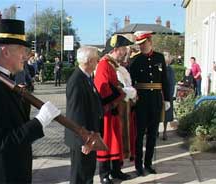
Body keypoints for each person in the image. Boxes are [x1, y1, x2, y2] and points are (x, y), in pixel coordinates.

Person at [0, 19, 61, 184]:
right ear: (5, 52)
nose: (26, 56)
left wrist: (23, 101)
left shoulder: (7, 84)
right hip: (4, 177)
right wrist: (40, 121)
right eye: (22, 50)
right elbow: (0, 142)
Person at [129, 31, 170, 176]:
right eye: (139, 44)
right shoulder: (135, 60)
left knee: (153, 134)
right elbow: (130, 82)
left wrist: (167, 99)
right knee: (139, 135)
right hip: (141, 101)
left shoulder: (159, 57)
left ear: (150, 41)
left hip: (156, 100)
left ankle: (148, 163)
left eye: (143, 44)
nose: (141, 47)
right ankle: (138, 165)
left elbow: (164, 80)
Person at [94, 34, 133, 184]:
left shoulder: (113, 64)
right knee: (107, 143)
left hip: (115, 109)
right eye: (123, 49)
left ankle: (116, 170)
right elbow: (103, 88)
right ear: (116, 49)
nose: (125, 52)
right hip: (107, 111)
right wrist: (121, 93)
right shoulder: (104, 64)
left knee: (116, 141)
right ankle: (104, 174)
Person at [65, 46, 103, 184]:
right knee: (79, 176)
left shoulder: (86, 78)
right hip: (81, 138)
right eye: (96, 59)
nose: (98, 62)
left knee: (87, 174)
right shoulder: (77, 81)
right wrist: (84, 140)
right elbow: (76, 114)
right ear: (89, 61)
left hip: (89, 135)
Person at [162, 52, 175, 141]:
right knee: (157, 113)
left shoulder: (171, 70)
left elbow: (172, 83)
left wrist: (170, 95)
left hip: (167, 94)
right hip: (159, 94)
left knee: (166, 115)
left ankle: (165, 131)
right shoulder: (158, 68)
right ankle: (155, 131)